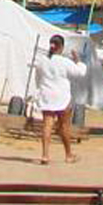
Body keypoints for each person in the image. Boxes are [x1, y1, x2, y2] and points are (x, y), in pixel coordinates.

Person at [35, 35, 87, 165]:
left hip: (47, 94)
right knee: (64, 126)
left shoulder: (42, 61)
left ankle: (45, 155)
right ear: (62, 47)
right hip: (61, 96)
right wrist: (78, 61)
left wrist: (40, 89)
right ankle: (68, 154)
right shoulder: (64, 62)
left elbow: (38, 78)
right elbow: (80, 73)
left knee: (47, 124)